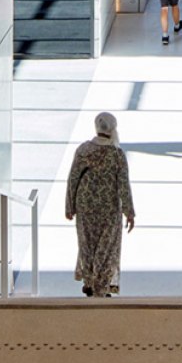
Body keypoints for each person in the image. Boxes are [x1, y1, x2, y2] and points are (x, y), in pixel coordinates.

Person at [66, 112, 136, 297]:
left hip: (85, 205)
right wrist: (129, 212)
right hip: (109, 207)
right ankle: (102, 286)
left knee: (87, 243)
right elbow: (123, 184)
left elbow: (73, 178)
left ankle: (89, 282)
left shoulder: (83, 150)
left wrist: (69, 206)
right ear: (113, 129)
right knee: (107, 246)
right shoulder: (116, 154)